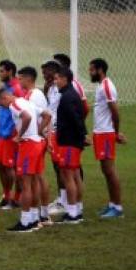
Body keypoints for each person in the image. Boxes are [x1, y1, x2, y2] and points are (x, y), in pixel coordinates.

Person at [0, 86, 50, 233]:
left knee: (25, 183)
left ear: (4, 98)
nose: (5, 108)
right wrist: (39, 131)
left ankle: (26, 221)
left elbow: (26, 117)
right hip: (38, 143)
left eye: (2, 105)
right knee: (33, 182)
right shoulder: (27, 102)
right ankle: (34, 218)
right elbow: (47, 115)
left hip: (28, 145)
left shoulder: (14, 104)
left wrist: (20, 134)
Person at [88, 59, 126, 219]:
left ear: (100, 70)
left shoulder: (107, 86)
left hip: (106, 134)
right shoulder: (101, 85)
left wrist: (116, 133)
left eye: (91, 70)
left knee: (110, 171)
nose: (89, 73)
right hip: (100, 133)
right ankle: (112, 204)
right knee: (105, 170)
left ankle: (117, 208)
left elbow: (115, 112)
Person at [18, 66, 52, 226]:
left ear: (28, 79)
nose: (19, 81)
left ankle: (41, 215)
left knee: (36, 177)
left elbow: (45, 117)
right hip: (37, 140)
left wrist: (39, 133)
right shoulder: (31, 94)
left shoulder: (34, 96)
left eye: (21, 78)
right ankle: (39, 214)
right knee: (36, 177)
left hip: (36, 141)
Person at [53, 67, 87, 224]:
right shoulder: (72, 95)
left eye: (57, 78)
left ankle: (72, 213)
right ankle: (77, 209)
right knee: (74, 175)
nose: (55, 81)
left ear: (65, 79)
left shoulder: (67, 97)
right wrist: (82, 137)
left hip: (69, 142)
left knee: (68, 175)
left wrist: (81, 136)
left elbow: (75, 120)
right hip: (73, 141)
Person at [0, 59, 24, 210]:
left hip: (11, 133)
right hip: (1, 133)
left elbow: (22, 112)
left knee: (11, 167)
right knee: (0, 165)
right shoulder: (4, 88)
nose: (0, 73)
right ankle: (6, 196)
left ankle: (16, 198)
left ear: (10, 72)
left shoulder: (17, 89)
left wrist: (16, 132)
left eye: (2, 71)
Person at [42, 60, 69, 214]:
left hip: (61, 131)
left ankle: (65, 202)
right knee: (57, 167)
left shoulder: (62, 89)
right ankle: (61, 199)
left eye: (46, 72)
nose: (44, 76)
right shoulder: (51, 88)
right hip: (52, 131)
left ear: (54, 72)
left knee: (63, 167)